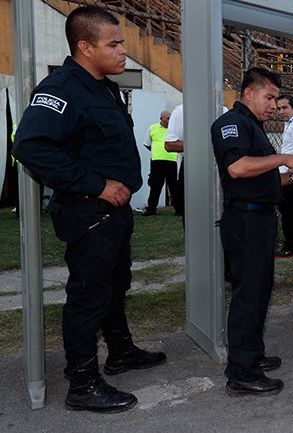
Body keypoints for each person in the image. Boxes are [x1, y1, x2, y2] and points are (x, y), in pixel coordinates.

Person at [12, 5, 166, 413]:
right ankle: (81, 383)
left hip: (113, 214)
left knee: (116, 286)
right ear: (84, 46)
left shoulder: (105, 86)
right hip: (88, 212)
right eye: (113, 44)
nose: (122, 53)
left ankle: (120, 351)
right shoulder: (62, 87)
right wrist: (97, 184)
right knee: (88, 296)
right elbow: (30, 146)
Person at [210, 67, 293, 397]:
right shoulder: (230, 124)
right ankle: (241, 371)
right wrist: (284, 157)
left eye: (276, 98)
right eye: (268, 97)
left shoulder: (253, 128)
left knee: (259, 292)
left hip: (259, 219)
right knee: (248, 295)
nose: (274, 104)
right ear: (248, 94)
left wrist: (292, 176)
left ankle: (252, 354)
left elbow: (261, 178)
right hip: (245, 221)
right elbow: (237, 168)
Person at [141, 110, 178, 216]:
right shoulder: (153, 128)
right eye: (168, 118)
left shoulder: (174, 129)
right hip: (157, 162)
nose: (169, 120)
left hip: (171, 161)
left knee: (174, 187)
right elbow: (147, 144)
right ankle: (151, 209)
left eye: (170, 118)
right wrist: (155, 152)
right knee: (155, 186)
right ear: (161, 118)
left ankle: (178, 210)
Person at [276, 94, 293, 256]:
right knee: (287, 212)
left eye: (285, 108)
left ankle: (291, 246)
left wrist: (291, 173)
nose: (281, 111)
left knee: (289, 213)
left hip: (290, 177)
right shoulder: (290, 123)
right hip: (286, 175)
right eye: (279, 108)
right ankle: (290, 244)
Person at [164, 104, 184, 218]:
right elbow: (169, 144)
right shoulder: (180, 112)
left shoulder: (221, 108)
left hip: (219, 166)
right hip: (188, 164)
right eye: (166, 118)